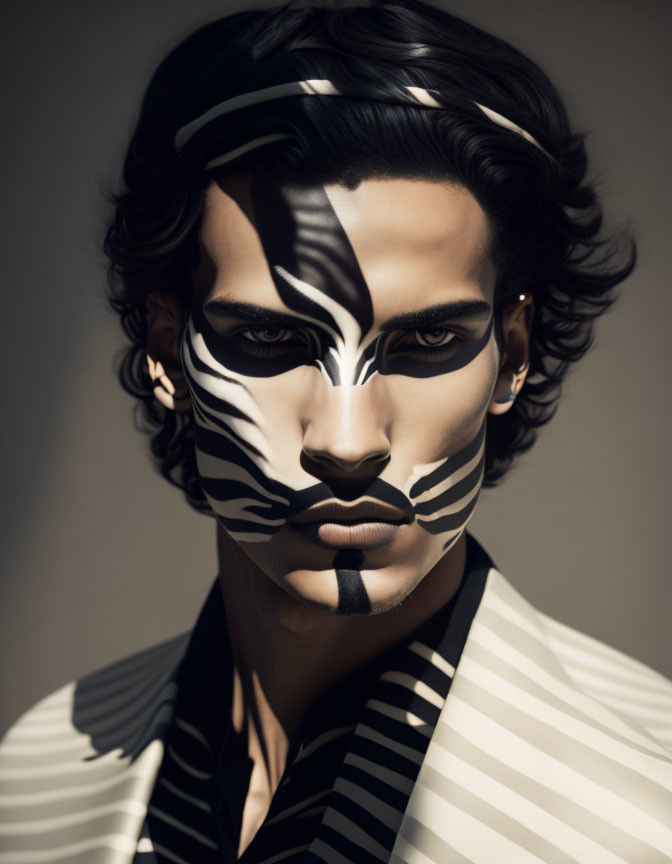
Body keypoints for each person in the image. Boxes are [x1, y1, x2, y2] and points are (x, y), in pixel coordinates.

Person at [1, 1, 671, 861]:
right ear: (168, 350)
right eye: (273, 341)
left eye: (426, 341)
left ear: (512, 354)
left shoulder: (638, 819)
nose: (349, 442)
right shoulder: (36, 775)